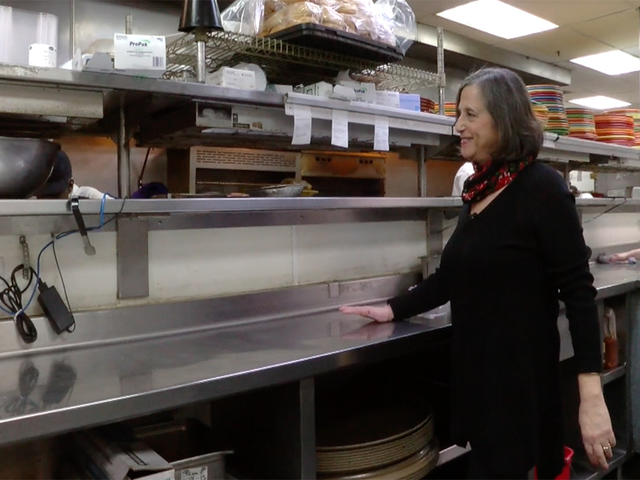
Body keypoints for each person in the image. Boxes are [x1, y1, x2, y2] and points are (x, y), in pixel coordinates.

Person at [340, 68, 614, 479]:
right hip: (480, 386)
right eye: (458, 115)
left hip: (520, 393)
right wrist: (392, 309)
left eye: (470, 115)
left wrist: (590, 397)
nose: (458, 126)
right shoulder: (479, 191)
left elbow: (579, 293)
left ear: (504, 119)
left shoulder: (543, 189)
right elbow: (451, 278)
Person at [35, 150, 112, 200]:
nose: (49, 200)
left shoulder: (89, 197)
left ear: (70, 186)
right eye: (43, 195)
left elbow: (117, 209)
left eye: (55, 195)